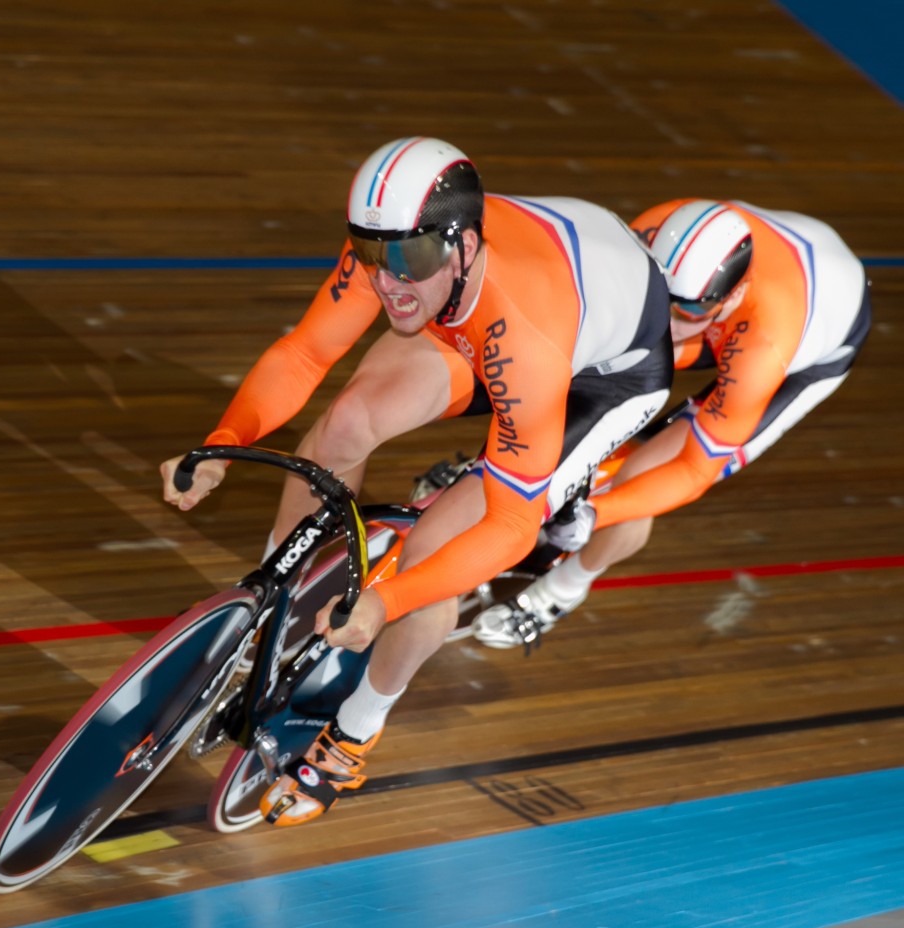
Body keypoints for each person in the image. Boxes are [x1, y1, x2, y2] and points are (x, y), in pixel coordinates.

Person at [160, 136, 674, 825]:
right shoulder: (399, 243)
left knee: (441, 551)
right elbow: (307, 351)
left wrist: (388, 599)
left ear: (461, 245)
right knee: (345, 422)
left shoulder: (522, 333)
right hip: (493, 307)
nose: (387, 281)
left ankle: (353, 735)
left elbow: (511, 526)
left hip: (600, 375)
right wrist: (225, 441)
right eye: (371, 256)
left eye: (408, 259)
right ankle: (269, 617)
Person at [472, 198, 872, 649]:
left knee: (644, 478)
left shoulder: (766, 341)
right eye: (668, 299)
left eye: (688, 311)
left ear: (732, 295)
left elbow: (695, 469)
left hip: (803, 338)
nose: (672, 322)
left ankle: (560, 592)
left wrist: (595, 513)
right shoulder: (649, 233)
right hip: (757, 284)